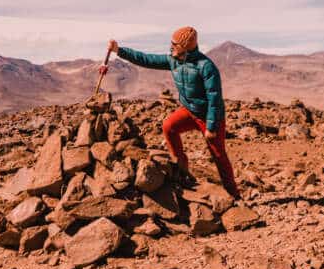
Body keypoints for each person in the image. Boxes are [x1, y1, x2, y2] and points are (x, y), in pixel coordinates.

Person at [101, 27, 240, 199]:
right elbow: (146, 59)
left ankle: (234, 194)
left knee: (218, 155)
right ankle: (182, 171)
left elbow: (215, 99)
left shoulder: (205, 67)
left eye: (174, 44)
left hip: (209, 117)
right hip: (189, 111)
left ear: (185, 46)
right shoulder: (173, 61)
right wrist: (119, 51)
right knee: (169, 126)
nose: (171, 46)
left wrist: (211, 127)